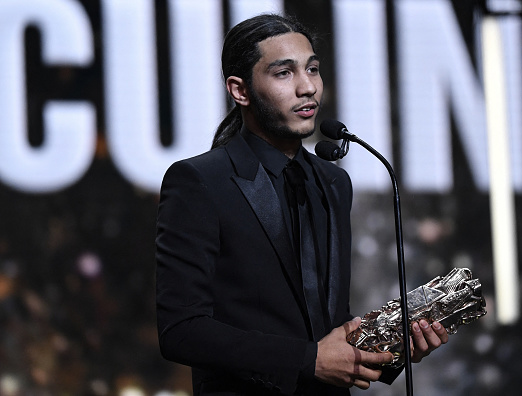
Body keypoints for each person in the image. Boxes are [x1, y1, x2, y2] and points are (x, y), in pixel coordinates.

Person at [155, 13, 448, 396]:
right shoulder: (200, 182)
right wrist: (307, 360)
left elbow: (328, 325)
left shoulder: (334, 182)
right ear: (240, 90)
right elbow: (181, 330)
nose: (307, 87)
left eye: (312, 69)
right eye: (284, 73)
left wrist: (392, 347)